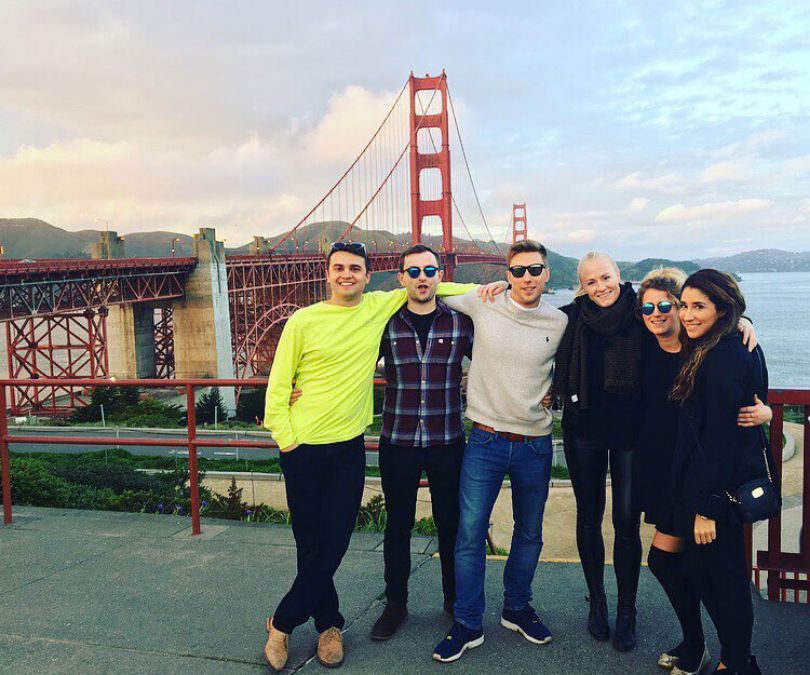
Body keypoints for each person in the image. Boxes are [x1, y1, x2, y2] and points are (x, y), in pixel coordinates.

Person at [261, 241, 474, 671]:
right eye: (338, 268)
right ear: (327, 273)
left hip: (360, 446)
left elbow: (446, 289)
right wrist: (287, 438)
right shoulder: (307, 320)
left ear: (367, 275)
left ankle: (281, 623)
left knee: (337, 540)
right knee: (314, 543)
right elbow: (279, 385)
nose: (346, 275)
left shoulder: (389, 309)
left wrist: (497, 287)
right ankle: (329, 624)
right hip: (310, 445)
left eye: (354, 268)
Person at [431, 240, 568, 663]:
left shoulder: (561, 320)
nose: (527, 278)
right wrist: (483, 285)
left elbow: (613, 323)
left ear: (547, 274)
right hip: (486, 440)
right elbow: (431, 286)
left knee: (529, 533)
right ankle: (469, 623)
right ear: (507, 275)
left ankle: (516, 608)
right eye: (518, 271)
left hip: (535, 442)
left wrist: (738, 319)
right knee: (469, 535)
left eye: (535, 270)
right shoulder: (482, 302)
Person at [634, 268, 770, 675]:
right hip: (677, 478)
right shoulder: (702, 346)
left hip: (709, 487)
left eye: (697, 306)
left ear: (722, 309)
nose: (685, 314)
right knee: (679, 564)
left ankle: (737, 660)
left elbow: (722, 435)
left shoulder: (727, 351)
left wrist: (707, 506)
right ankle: (707, 648)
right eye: (685, 306)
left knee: (721, 577)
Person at [369, 244, 474, 640]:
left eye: (430, 270)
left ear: (440, 275)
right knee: (397, 526)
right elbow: (347, 362)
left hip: (447, 440)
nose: (422, 277)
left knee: (451, 525)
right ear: (401, 279)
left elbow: (497, 359)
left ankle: (453, 600)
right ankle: (395, 604)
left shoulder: (461, 322)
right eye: (413, 272)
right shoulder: (384, 324)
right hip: (398, 441)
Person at [552, 251, 645, 651]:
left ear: (619, 275)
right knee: (589, 517)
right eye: (590, 282)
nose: (600, 287)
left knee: (626, 522)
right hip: (583, 429)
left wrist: (742, 321)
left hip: (631, 434)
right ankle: (598, 601)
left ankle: (627, 609)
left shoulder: (645, 311)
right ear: (582, 286)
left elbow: (698, 322)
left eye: (605, 278)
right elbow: (522, 316)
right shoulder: (571, 317)